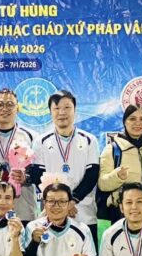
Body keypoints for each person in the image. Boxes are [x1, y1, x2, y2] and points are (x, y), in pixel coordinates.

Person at [30, 90, 100, 234]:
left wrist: (72, 201)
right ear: (50, 112)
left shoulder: (89, 140)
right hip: (52, 213)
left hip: (83, 213)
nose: (62, 112)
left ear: (75, 110)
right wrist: (61, 203)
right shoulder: (40, 142)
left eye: (67, 107)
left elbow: (92, 176)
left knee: (85, 248)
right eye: (56, 108)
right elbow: (38, 177)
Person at [98, 104, 142, 219]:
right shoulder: (113, 149)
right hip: (122, 216)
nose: (138, 123)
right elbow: (102, 184)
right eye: (132, 119)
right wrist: (117, 176)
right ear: (124, 122)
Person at [0, 88, 37, 222]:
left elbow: (39, 172)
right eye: (0, 104)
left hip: (23, 210)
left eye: (10, 104)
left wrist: (26, 178)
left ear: (17, 109)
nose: (5, 108)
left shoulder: (31, 137)